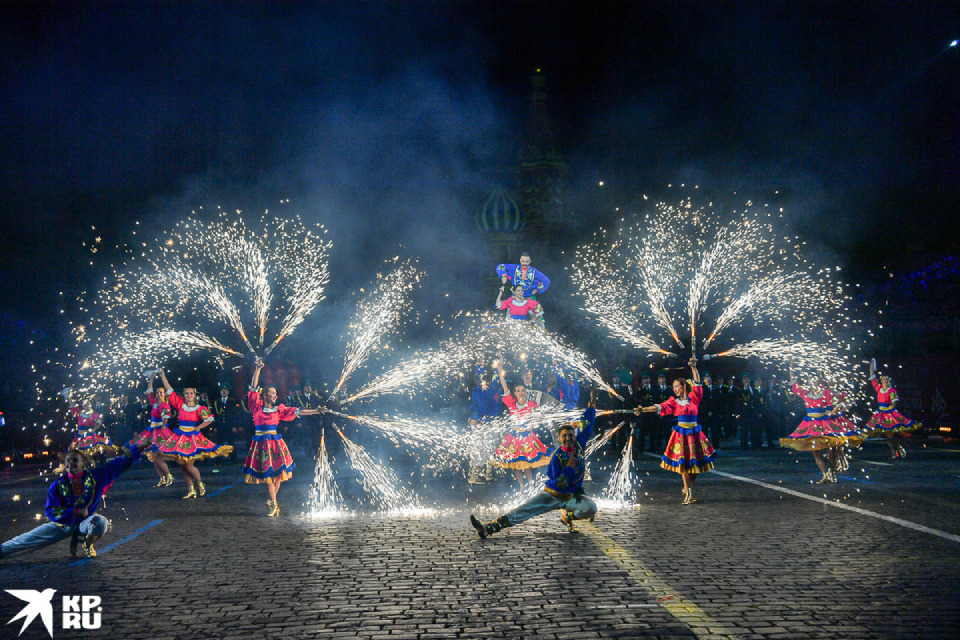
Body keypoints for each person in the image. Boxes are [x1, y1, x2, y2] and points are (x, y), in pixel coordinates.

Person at [470, 405, 597, 538]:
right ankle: (488, 528)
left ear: (575, 437)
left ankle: (567, 517)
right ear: (559, 438)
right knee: (523, 511)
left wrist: (591, 406)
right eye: (564, 436)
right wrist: (568, 467)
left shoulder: (579, 446)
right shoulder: (556, 458)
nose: (568, 439)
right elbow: (559, 483)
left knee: (590, 508)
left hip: (572, 497)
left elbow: (586, 425)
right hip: (552, 496)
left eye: (571, 436)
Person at [0, 446, 140, 559]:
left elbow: (117, 465)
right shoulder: (57, 485)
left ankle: (88, 544)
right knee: (23, 541)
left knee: (101, 522)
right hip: (62, 525)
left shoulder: (96, 476)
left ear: (83, 463)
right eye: (68, 461)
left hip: (85, 523)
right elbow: (51, 510)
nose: (70, 463)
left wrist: (139, 449)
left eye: (74, 460)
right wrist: (73, 512)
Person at [636, 358, 716, 505]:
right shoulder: (674, 401)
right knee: (684, 463)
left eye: (676, 386)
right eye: (673, 387)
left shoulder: (694, 398)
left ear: (684, 386)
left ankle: (688, 487)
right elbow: (658, 406)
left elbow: (698, 382)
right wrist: (643, 409)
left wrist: (693, 367)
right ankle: (688, 492)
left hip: (695, 433)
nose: (674, 389)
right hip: (681, 435)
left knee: (697, 464)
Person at [246, 358, 320, 517]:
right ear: (264, 395)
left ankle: (272, 500)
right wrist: (258, 369)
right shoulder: (256, 406)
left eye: (275, 393)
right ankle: (274, 505)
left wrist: (316, 411)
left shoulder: (279, 409)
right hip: (261, 444)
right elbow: (253, 388)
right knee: (268, 477)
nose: (274, 395)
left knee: (278, 476)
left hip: (276, 444)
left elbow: (297, 411)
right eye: (271, 393)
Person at [152, 370, 233, 499]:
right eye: (187, 393)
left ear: (195, 395)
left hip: (193, 439)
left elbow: (209, 419)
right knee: (183, 466)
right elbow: (169, 391)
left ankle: (200, 484)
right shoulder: (180, 404)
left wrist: (198, 427)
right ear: (184, 395)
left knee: (189, 465)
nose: (189, 395)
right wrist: (163, 376)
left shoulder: (199, 408)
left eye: (191, 393)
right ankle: (191, 489)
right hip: (180, 437)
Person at [780, 361, 862, 484]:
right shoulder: (805, 393)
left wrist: (837, 408)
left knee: (831, 450)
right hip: (811, 425)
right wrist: (791, 367)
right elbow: (793, 382)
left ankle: (833, 471)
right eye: (812, 381)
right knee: (815, 451)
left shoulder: (827, 393)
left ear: (820, 382)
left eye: (817, 380)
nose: (814, 383)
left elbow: (838, 402)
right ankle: (826, 474)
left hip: (825, 423)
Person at [491, 360, 551, 489]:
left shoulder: (530, 404)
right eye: (518, 390)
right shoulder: (511, 403)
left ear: (525, 391)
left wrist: (532, 425)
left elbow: (537, 415)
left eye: (522, 390)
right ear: (515, 393)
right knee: (516, 465)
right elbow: (505, 387)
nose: (521, 392)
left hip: (526, 437)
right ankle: (522, 487)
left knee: (526, 464)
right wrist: (500, 371)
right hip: (513, 436)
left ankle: (531, 485)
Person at [864, 359, 921, 459]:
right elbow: (872, 376)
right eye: (884, 379)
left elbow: (894, 401)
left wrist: (891, 407)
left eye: (887, 379)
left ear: (889, 381)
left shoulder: (892, 390)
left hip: (889, 413)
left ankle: (899, 447)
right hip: (880, 412)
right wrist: (872, 364)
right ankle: (894, 452)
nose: (885, 381)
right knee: (886, 435)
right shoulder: (879, 388)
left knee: (890, 434)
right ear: (881, 381)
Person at [129, 370, 175, 487]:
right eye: (158, 392)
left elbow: (166, 417)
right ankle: (162, 478)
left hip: (160, 432)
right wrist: (152, 377)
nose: (159, 394)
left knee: (157, 456)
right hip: (152, 430)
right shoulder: (155, 403)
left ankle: (169, 476)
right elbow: (149, 390)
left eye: (161, 392)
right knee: (153, 457)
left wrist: (163, 426)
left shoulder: (164, 404)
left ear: (164, 394)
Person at [466, 363, 503, 484]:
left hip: (490, 423)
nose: (483, 379)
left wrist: (499, 365)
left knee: (490, 448)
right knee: (479, 448)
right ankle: (473, 476)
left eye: (485, 376)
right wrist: (478, 419)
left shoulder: (493, 387)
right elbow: (479, 406)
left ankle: (487, 473)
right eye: (480, 376)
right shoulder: (478, 389)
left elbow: (498, 377)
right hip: (481, 424)